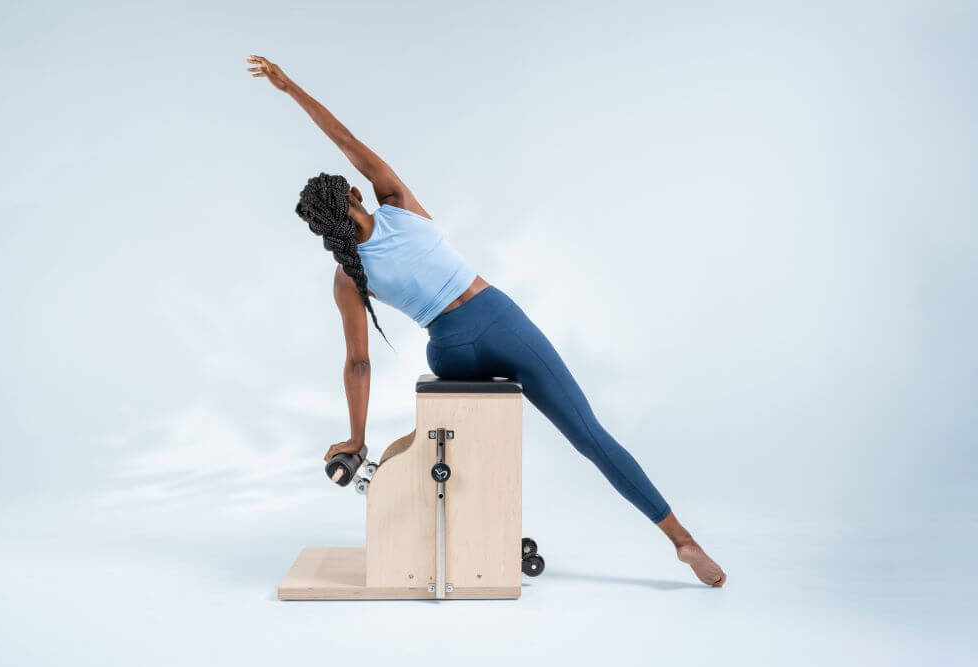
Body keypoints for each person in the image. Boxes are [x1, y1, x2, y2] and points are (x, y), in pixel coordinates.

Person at [247, 55, 726, 587]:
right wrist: (289, 88)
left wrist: (356, 439)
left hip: (448, 351)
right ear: (354, 194)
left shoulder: (347, 277)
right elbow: (346, 137)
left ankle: (466, 532)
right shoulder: (395, 202)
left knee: (451, 447)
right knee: (587, 433)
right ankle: (680, 538)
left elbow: (358, 364)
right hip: (497, 321)